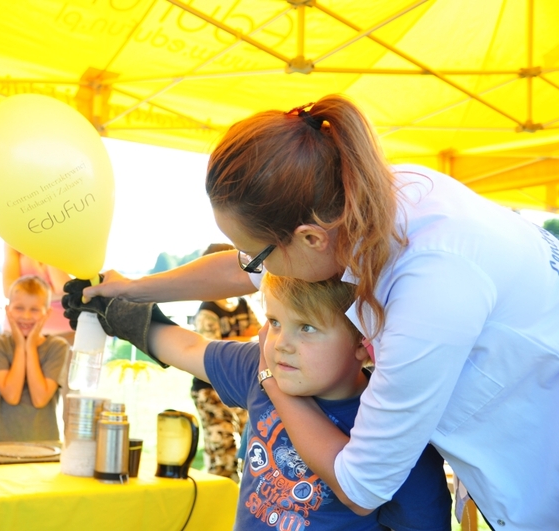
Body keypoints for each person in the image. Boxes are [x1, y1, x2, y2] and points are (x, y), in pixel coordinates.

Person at [81, 95, 559, 530]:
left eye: (258, 253)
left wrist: (268, 373)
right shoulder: (372, 200)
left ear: (311, 237)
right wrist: (136, 290)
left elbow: (361, 486)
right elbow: (243, 270)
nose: (253, 267)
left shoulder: (433, 284)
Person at [64, 274, 451, 530]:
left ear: (364, 345)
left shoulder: (395, 425)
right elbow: (188, 346)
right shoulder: (260, 365)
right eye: (276, 322)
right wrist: (119, 311)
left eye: (307, 328)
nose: (282, 342)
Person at [191, 243, 259, 482]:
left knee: (249, 448)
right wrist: (245, 342)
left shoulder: (243, 305)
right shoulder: (208, 310)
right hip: (212, 389)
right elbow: (214, 351)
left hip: (240, 387)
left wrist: (237, 342)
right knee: (223, 451)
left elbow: (261, 335)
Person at [0, 276, 69, 443]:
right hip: (1, 442)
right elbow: (12, 395)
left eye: (35, 310)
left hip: (44, 442)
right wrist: (21, 347)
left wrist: (30, 347)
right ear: (8, 310)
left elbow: (40, 398)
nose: (26, 316)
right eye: (19, 308)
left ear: (47, 313)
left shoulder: (58, 347)